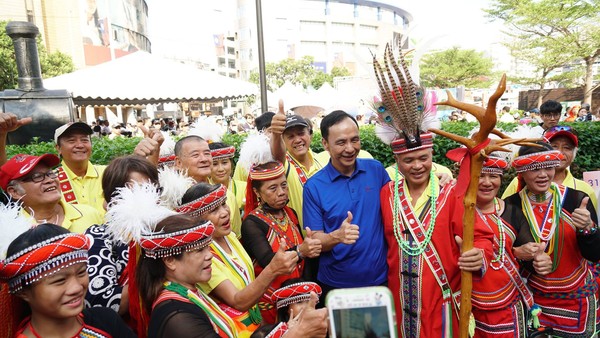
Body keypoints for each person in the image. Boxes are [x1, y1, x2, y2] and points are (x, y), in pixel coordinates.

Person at [372, 46, 489, 337]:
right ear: (397, 161)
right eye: (408, 160)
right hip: (400, 301)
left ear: (432, 156)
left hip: (442, 302)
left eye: (423, 158)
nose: (417, 166)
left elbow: (482, 235)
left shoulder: (451, 194)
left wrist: (479, 254)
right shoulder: (387, 194)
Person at [504, 142, 600, 337]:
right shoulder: (510, 206)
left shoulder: (577, 199)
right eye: (534, 169)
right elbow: (501, 254)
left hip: (577, 299)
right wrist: (520, 255)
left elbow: (595, 254)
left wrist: (588, 229)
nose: (543, 175)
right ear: (522, 171)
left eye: (548, 167)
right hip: (532, 301)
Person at [177, 182, 299, 333]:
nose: (224, 213)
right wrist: (273, 269)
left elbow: (249, 285)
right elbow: (238, 301)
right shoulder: (203, 257)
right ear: (195, 220)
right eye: (214, 210)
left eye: (223, 204)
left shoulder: (230, 237)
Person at [303, 110, 390, 298]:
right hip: (336, 287)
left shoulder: (376, 170)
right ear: (325, 144)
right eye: (341, 142)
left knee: (379, 329)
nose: (350, 148)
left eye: (355, 140)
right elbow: (315, 240)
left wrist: (435, 179)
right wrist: (336, 236)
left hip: (380, 282)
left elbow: (402, 201)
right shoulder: (314, 187)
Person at [0, 223, 135, 337]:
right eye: (60, 281)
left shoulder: (107, 320)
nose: (76, 287)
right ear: (23, 292)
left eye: (81, 272)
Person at [471, 156, 550, 337]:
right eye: (480, 176)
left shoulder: (512, 211)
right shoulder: (456, 211)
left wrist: (538, 259)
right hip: (469, 305)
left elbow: (529, 256)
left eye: (494, 176)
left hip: (509, 305)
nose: (487, 182)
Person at [241, 161, 321, 323]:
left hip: (301, 297)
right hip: (273, 301)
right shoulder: (251, 223)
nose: (282, 192)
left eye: (284, 185)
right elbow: (268, 261)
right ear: (257, 192)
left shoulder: (290, 213)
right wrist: (301, 250)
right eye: (273, 188)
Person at [85, 155, 160, 316]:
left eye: (153, 189)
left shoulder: (166, 228)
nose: (149, 197)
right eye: (140, 190)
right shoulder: (100, 236)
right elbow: (100, 305)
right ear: (114, 197)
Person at [502, 126, 598, 212]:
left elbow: (594, 228)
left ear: (574, 154)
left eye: (567, 148)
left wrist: (588, 227)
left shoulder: (584, 190)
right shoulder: (517, 183)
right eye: (554, 146)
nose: (559, 152)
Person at [0, 153, 102, 233]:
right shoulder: (9, 230)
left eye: (50, 173)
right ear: (14, 192)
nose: (49, 180)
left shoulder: (89, 214)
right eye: (37, 177)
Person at [174, 135, 242, 238]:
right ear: (179, 162)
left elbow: (236, 235)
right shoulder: (173, 199)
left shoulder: (227, 194)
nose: (204, 159)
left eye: (207, 153)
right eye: (195, 155)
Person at [270, 110, 327, 228]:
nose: (297, 140)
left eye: (301, 133)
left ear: (310, 135)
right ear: (283, 141)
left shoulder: (325, 159)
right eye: (290, 136)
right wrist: (276, 134)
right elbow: (277, 156)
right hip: (304, 243)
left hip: (332, 238)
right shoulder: (284, 166)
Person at [209, 141, 247, 225]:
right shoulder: (205, 194)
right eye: (214, 164)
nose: (221, 169)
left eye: (224, 162)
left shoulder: (245, 188)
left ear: (231, 164)